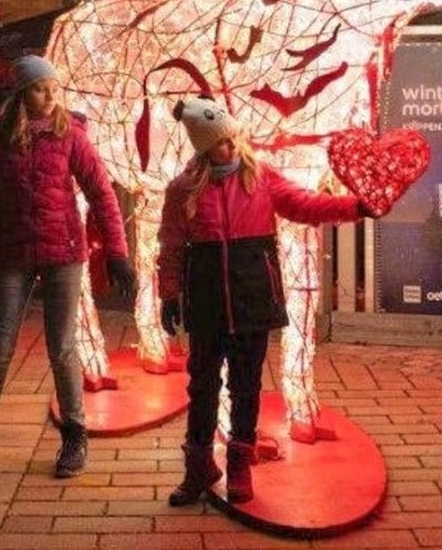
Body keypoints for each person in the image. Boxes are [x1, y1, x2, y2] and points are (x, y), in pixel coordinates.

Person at [157, 96, 370, 506]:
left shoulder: (261, 179)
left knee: (246, 385)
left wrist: (356, 207)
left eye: (232, 138)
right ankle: (198, 465)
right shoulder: (183, 189)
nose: (230, 147)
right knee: (202, 385)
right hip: (207, 301)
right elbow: (170, 244)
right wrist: (169, 293)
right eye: (220, 143)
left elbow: (306, 205)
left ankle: (240, 461)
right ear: (203, 148)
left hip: (253, 295)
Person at [0, 54, 135, 481]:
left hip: (64, 251)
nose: (49, 97)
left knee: (62, 345)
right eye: (39, 88)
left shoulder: (70, 133)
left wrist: (118, 252)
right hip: (12, 252)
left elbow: (102, 193)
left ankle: (74, 432)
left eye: (54, 88)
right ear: (21, 93)